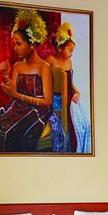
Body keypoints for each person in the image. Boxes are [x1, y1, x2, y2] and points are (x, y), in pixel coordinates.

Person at [0, 8, 61, 153]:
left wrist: (18, 95)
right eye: (14, 44)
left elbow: (47, 101)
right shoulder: (18, 66)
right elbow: (12, 95)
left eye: (18, 44)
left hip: (38, 111)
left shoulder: (44, 67)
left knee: (9, 134)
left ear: (31, 44)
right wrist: (5, 75)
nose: (15, 48)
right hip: (18, 108)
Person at [45, 22, 91, 153]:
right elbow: (44, 80)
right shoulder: (50, 59)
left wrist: (77, 92)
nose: (71, 54)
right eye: (69, 50)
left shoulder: (69, 63)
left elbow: (70, 82)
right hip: (55, 99)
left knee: (84, 123)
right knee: (61, 122)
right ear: (60, 48)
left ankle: (77, 149)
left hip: (69, 98)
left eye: (72, 51)